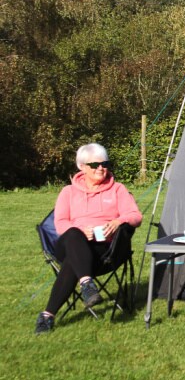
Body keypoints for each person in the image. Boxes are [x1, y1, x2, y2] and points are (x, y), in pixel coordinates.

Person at [35, 143, 143, 334]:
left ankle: (48, 315)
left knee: (71, 263)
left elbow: (135, 216)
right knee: (74, 234)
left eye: (105, 164)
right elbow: (60, 223)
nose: (101, 168)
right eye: (95, 165)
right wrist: (82, 231)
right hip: (70, 243)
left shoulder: (117, 189)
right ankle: (87, 284)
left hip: (104, 249)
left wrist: (119, 221)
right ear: (82, 167)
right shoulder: (68, 192)